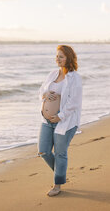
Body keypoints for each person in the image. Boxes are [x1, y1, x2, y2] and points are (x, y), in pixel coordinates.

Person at [38, 44, 82, 197]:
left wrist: (60, 116)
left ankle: (57, 184)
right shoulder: (52, 74)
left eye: (61, 57)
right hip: (47, 121)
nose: (58, 59)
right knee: (43, 151)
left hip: (65, 122)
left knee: (60, 154)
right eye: (57, 56)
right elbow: (41, 91)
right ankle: (61, 173)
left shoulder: (74, 77)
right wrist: (45, 94)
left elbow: (74, 102)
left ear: (68, 58)